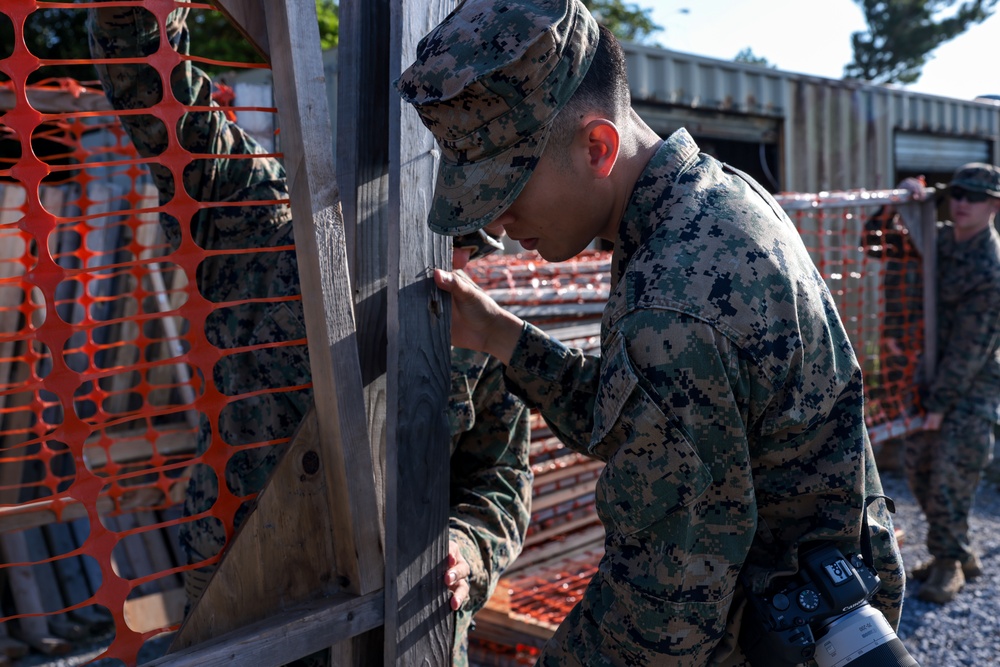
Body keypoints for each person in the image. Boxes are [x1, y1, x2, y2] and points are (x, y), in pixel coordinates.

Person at [396, 0, 905, 663]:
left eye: (506, 183)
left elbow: (664, 604)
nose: (494, 217)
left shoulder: (673, 293)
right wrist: (501, 336)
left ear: (597, 146)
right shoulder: (701, 208)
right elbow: (633, 415)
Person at [87, 6, 531, 664]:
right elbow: (153, 87)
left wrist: (467, 546)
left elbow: (500, 475)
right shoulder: (256, 219)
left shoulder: (477, 300)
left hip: (409, 627)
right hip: (246, 606)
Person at [889, 165, 1000, 604]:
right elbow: (874, 241)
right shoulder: (933, 236)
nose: (962, 202)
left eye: (974, 196)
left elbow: (971, 349)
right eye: (956, 193)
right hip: (928, 374)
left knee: (951, 475)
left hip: (968, 386)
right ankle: (958, 553)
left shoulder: (990, 267)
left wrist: (938, 404)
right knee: (917, 467)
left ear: (994, 204)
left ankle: (948, 564)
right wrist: (899, 200)